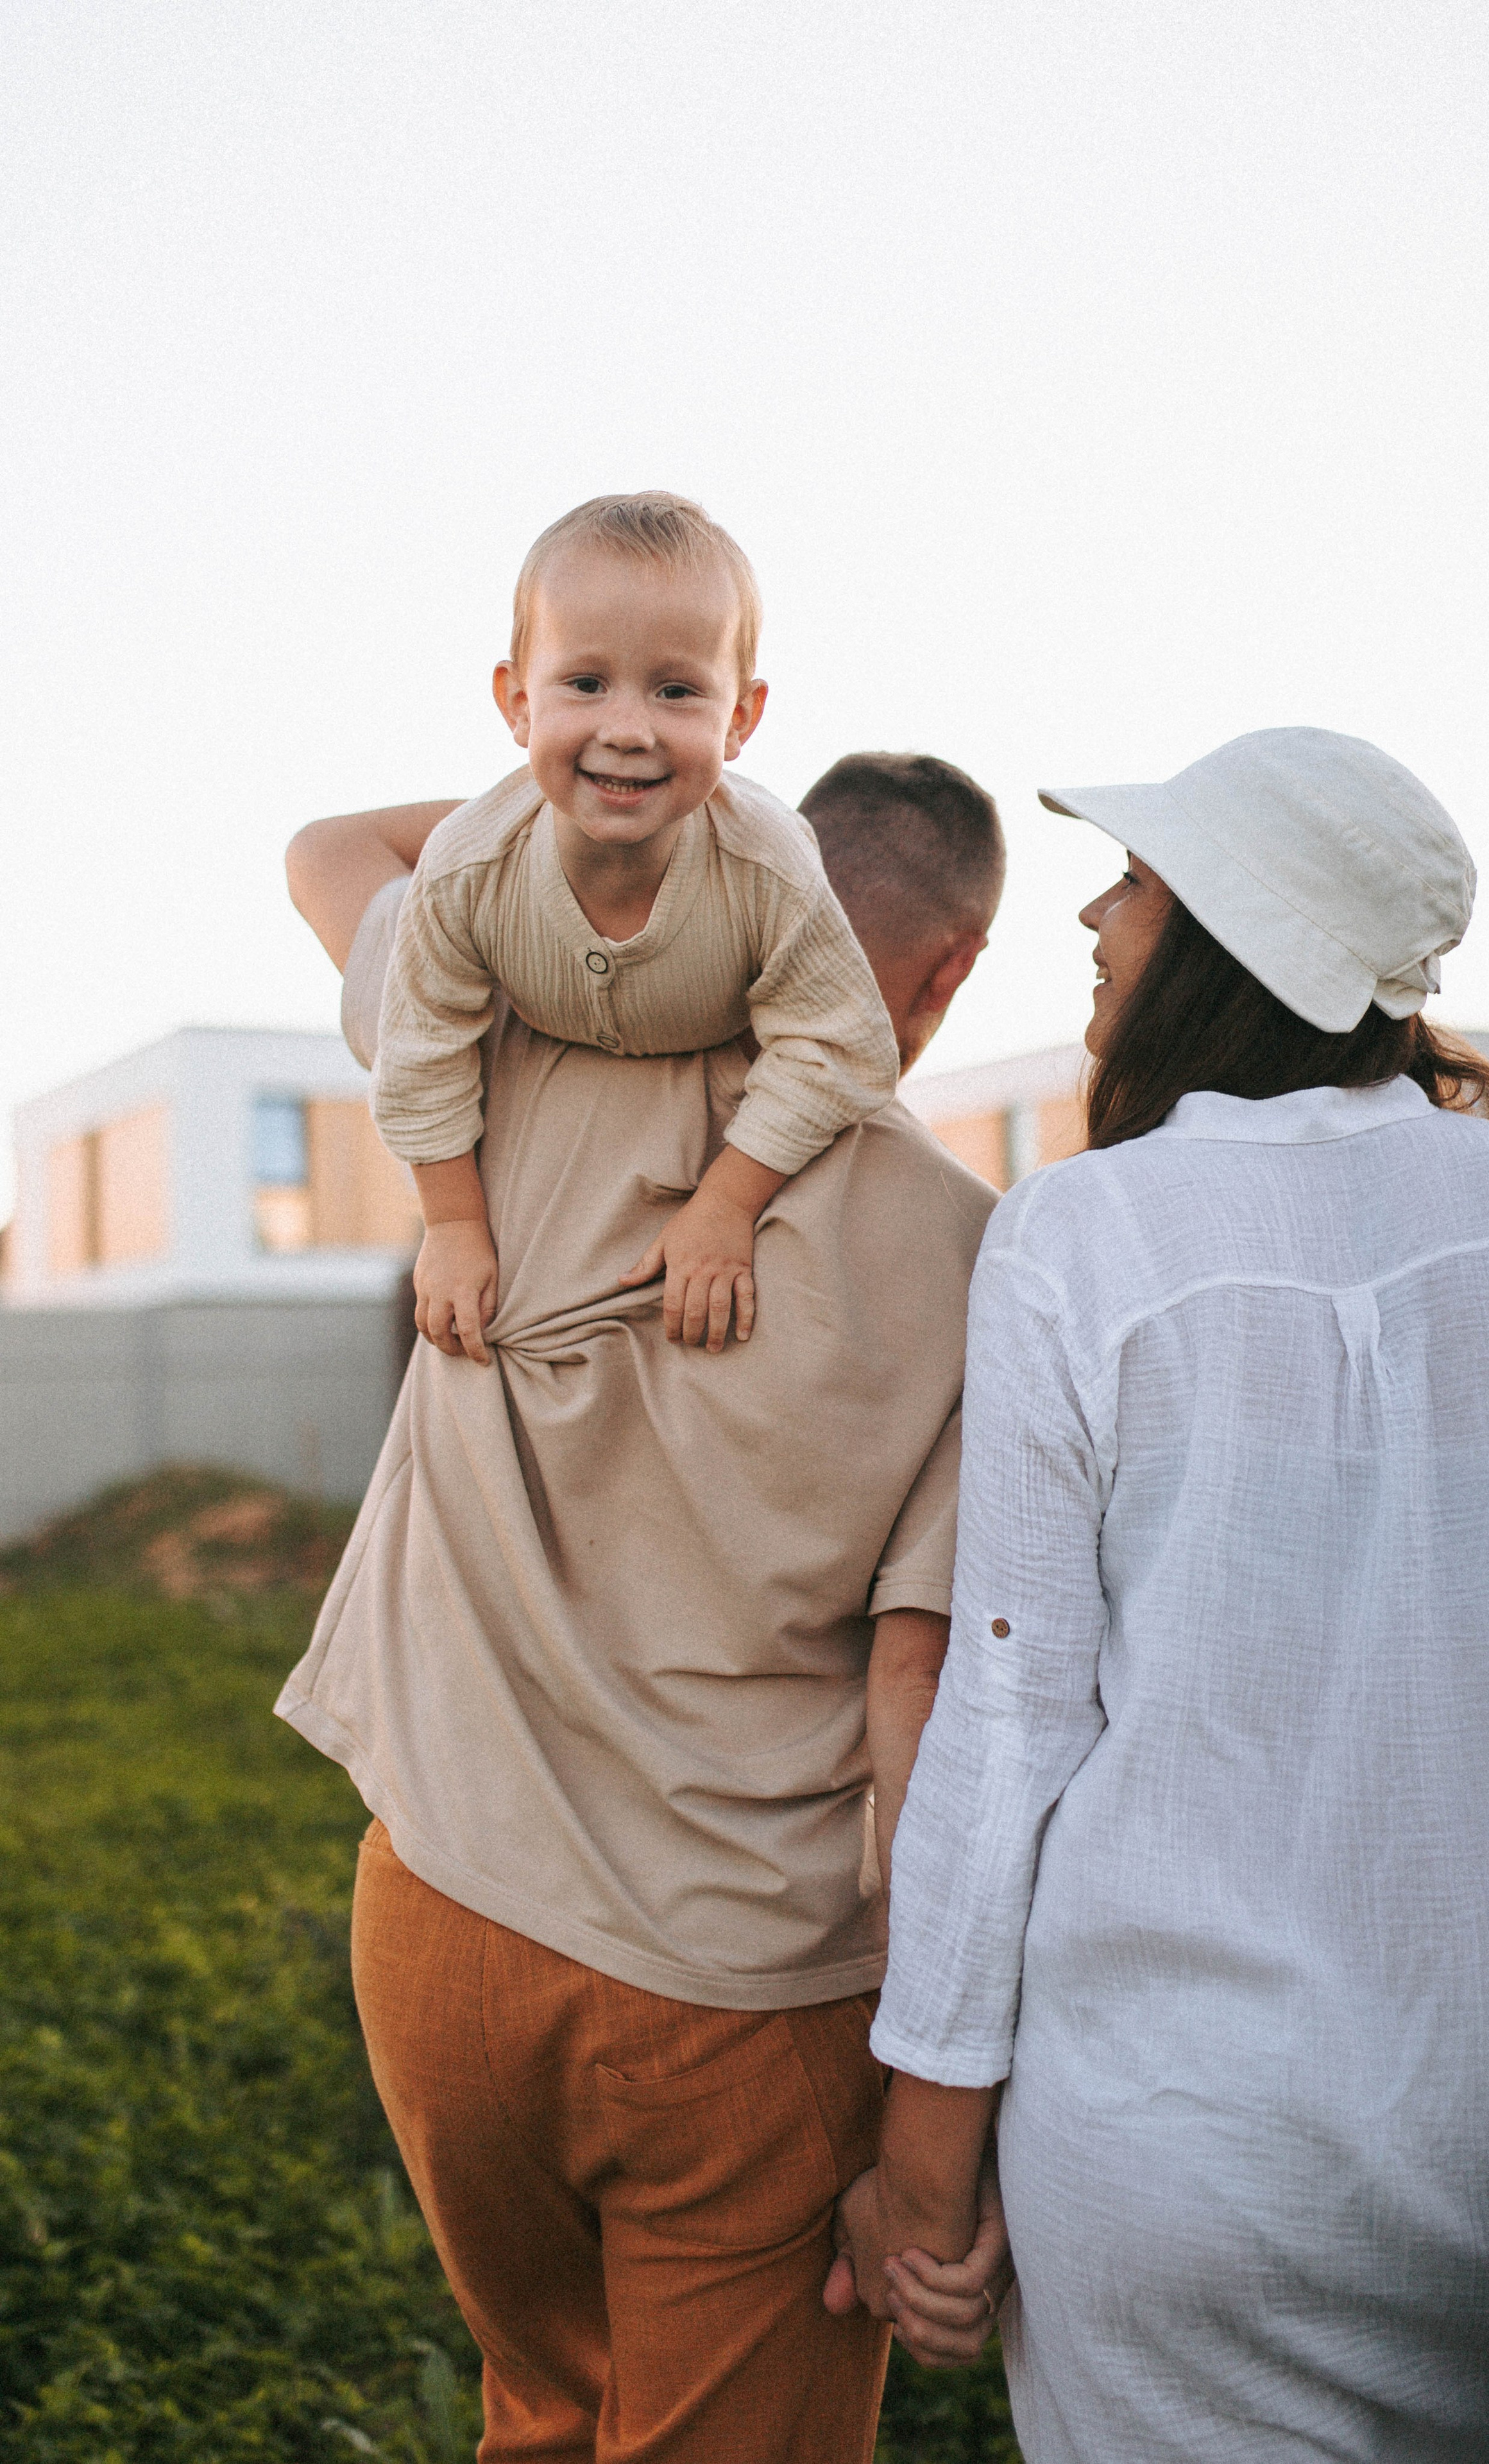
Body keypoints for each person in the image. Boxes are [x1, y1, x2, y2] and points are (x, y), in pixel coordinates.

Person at [835, 728, 1489, 2460]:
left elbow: (1009, 1715)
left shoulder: (1081, 1234)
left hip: (1186, 2157)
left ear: (1236, 932)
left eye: (1139, 878)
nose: (1097, 912)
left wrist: (920, 2172)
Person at [278, 748, 1012, 2462]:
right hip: (741, 1998)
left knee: (542, 2412)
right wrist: (928, 2135)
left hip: (442, 1922)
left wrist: (632, 766)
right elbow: (920, 1700)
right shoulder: (983, 1257)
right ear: (955, 967)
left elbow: (331, 846)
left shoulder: (499, 1062)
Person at [374, 491, 899, 1363]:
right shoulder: (466, 866)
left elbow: (841, 1047)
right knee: (364, 947)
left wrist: (727, 1203)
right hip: (520, 1025)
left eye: (677, 691)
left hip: (712, 1040)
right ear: (516, 702)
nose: (627, 730)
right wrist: (454, 1223)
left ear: (740, 719)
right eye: (585, 684)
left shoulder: (768, 865)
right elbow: (423, 1054)